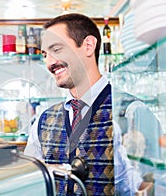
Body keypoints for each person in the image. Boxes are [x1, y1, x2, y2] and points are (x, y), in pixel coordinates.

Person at [24, 13, 145, 195]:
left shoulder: (131, 111)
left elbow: (147, 184)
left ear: (88, 46)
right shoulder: (43, 120)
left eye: (57, 49)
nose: (49, 63)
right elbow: (30, 182)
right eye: (45, 55)